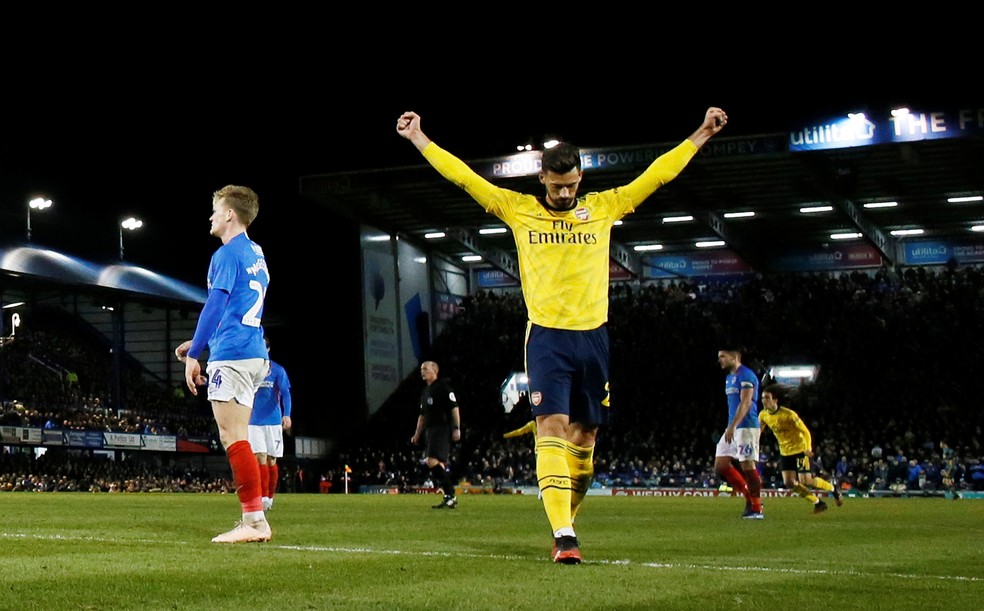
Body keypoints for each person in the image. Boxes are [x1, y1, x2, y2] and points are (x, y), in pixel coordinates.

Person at [397, 106, 728, 563]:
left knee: (586, 439)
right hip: (548, 338)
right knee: (551, 428)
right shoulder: (518, 210)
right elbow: (465, 179)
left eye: (572, 184)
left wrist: (702, 134)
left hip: (594, 337)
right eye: (557, 186)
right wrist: (419, 139)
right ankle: (564, 535)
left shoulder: (604, 206)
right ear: (542, 181)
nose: (566, 192)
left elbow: (656, 176)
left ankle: (566, 515)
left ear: (580, 177)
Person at [174, 184, 272, 543]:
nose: (211, 216)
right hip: (252, 351)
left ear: (230, 214)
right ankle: (255, 517)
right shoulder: (256, 254)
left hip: (232, 356)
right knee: (241, 436)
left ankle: (254, 521)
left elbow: (215, 306)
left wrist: (197, 354)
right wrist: (200, 342)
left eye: (215, 209)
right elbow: (238, 308)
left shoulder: (226, 254)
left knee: (233, 436)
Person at [759, 383, 843, 513]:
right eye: (763, 398)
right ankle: (818, 503)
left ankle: (833, 489)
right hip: (785, 452)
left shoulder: (789, 415)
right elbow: (758, 431)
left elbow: (805, 431)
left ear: (775, 400)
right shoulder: (763, 415)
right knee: (789, 483)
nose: (764, 401)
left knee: (806, 481)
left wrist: (808, 447)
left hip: (800, 450)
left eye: (767, 398)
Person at [715, 346, 764, 519]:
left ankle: (757, 508)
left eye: (723, 356)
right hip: (733, 426)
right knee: (720, 465)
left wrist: (733, 426)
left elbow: (746, 403)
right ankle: (749, 498)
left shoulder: (747, 375)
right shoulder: (729, 378)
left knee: (747, 466)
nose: (719, 359)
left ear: (735, 356)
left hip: (746, 426)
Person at [248, 336, 293, 511]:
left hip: (273, 421)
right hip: (254, 422)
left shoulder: (278, 370)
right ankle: (262, 497)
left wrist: (287, 414)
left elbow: (286, 394)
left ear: (267, 349)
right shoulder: (250, 370)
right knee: (259, 456)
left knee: (271, 459)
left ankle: (270, 497)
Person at [410, 360, 461, 509]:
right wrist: (417, 433)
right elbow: (422, 416)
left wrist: (456, 428)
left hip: (441, 428)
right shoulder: (426, 391)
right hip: (430, 430)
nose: (422, 371)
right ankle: (449, 497)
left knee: (431, 461)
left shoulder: (443, 387)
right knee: (436, 463)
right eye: (421, 369)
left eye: (425, 369)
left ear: (434, 371)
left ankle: (451, 494)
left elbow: (454, 409)